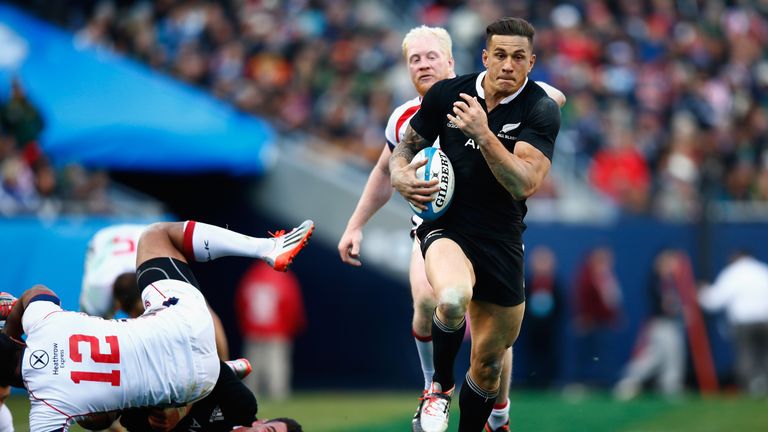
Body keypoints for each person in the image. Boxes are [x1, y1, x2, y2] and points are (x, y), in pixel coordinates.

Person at [339, 24, 564, 432]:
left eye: (518, 57)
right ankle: (437, 388)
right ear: (484, 57)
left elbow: (524, 183)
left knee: (490, 358)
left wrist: (484, 133)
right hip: (443, 227)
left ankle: (496, 415)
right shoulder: (437, 101)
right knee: (447, 297)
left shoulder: (539, 106)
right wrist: (398, 177)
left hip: (502, 237)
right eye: (415, 59)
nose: (508, 65)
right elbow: (397, 157)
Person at [0, 218, 313, 431]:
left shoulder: (47, 408)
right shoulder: (47, 324)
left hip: (189, 374)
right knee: (157, 236)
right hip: (184, 339)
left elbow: (108, 421)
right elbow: (36, 293)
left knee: (97, 416)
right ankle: (266, 248)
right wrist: (12, 324)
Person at [81, 224, 231, 359]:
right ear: (119, 304)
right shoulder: (97, 294)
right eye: (139, 312)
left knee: (196, 309)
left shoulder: (164, 274)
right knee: (98, 333)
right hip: (105, 241)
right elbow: (87, 338)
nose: (142, 316)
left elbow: (208, 318)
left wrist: (226, 367)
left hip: (146, 235)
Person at [613, 249, 686, 400]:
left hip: (669, 323)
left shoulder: (671, 281)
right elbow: (666, 306)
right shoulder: (656, 281)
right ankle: (632, 378)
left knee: (660, 357)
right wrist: (679, 307)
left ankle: (667, 387)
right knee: (662, 357)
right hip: (662, 324)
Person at [699, 250, 768, 397]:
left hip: (744, 322)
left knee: (746, 355)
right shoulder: (763, 271)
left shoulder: (733, 273)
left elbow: (714, 301)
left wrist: (701, 293)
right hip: (765, 320)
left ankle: (751, 388)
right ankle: (763, 386)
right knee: (764, 354)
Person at [236, 261, 306, 401]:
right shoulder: (283, 277)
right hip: (277, 330)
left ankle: (249, 396)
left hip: (253, 329)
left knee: (251, 366)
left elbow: (241, 302)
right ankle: (277, 395)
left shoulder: (253, 275)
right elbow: (291, 304)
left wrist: (245, 325)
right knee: (276, 365)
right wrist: (293, 327)